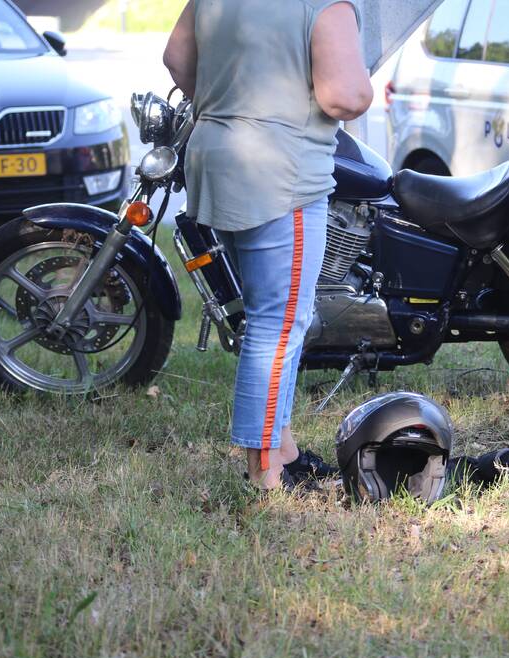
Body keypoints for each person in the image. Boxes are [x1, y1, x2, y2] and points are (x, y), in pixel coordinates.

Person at [163, 1, 373, 490]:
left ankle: (283, 449)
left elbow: (176, 57)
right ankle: (265, 474)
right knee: (278, 327)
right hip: (281, 172)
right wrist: (362, 87)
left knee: (263, 315)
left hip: (216, 156)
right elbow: (342, 96)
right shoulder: (328, 5)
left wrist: (226, 105)